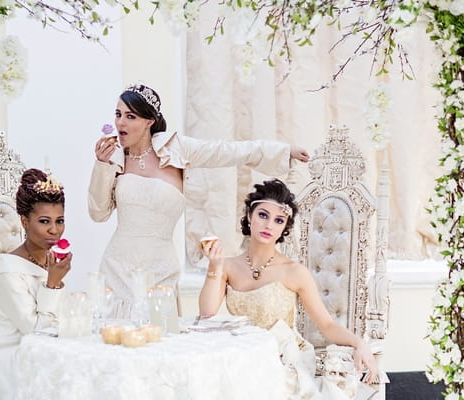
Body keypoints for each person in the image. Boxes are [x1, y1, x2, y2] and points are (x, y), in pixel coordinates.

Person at [88, 83, 310, 318]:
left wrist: (284, 151)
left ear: (148, 121)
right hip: (116, 269)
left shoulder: (176, 150)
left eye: (130, 116)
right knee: (112, 344)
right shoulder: (114, 158)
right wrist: (101, 166)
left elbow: (228, 151)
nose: (120, 123)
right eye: (118, 114)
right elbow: (98, 213)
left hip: (160, 271)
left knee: (155, 344)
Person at [198, 179, 378, 398]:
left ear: (284, 227)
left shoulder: (294, 272)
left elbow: (328, 325)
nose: (269, 225)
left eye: (279, 220)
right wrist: (214, 266)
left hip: (283, 359)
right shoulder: (228, 266)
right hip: (242, 353)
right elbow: (207, 313)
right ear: (249, 215)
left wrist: (360, 343)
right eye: (263, 215)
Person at [0, 169, 72, 400]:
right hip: (8, 355)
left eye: (60, 221)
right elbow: (35, 330)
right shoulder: (7, 270)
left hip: (45, 347)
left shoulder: (50, 260)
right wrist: (53, 284)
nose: (54, 230)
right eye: (44, 221)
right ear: (25, 222)